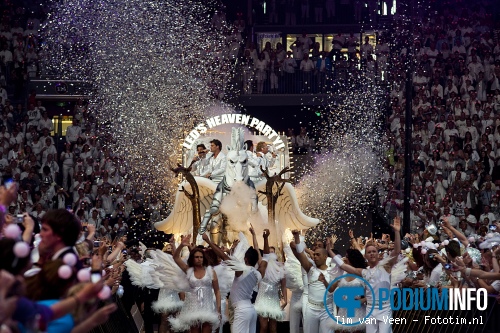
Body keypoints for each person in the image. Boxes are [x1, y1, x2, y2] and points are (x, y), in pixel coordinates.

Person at [332, 216, 401, 333]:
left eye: (374, 251)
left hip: (384, 308)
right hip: (370, 309)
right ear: (366, 256)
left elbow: (397, 251)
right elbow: (344, 266)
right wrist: (330, 251)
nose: (372, 254)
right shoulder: (364, 271)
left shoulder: (386, 267)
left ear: (378, 254)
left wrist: (397, 232)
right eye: (369, 252)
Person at [202, 230, 270, 333]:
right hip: (251, 310)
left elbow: (223, 256)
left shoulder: (241, 270)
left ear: (245, 259)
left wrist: (208, 241)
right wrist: (266, 239)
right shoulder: (259, 273)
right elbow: (267, 257)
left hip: (241, 310)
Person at [170, 235, 221, 333]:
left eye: (201, 257)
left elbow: (217, 291)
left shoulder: (211, 271)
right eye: (197, 257)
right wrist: (181, 245)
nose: (199, 259)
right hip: (193, 308)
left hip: (207, 307)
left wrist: (218, 309)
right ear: (192, 258)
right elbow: (176, 258)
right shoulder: (188, 270)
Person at [290, 230, 335, 333]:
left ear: (325, 257)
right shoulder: (310, 269)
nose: (315, 257)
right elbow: (298, 251)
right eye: (314, 255)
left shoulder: (332, 271)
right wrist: (297, 238)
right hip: (311, 309)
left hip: (327, 309)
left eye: (318, 255)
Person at [329, 249, 367, 332]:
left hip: (357, 311)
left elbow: (373, 293)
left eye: (346, 256)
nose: (344, 258)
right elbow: (331, 289)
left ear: (352, 258)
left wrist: (362, 300)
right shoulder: (342, 274)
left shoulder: (362, 274)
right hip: (342, 311)